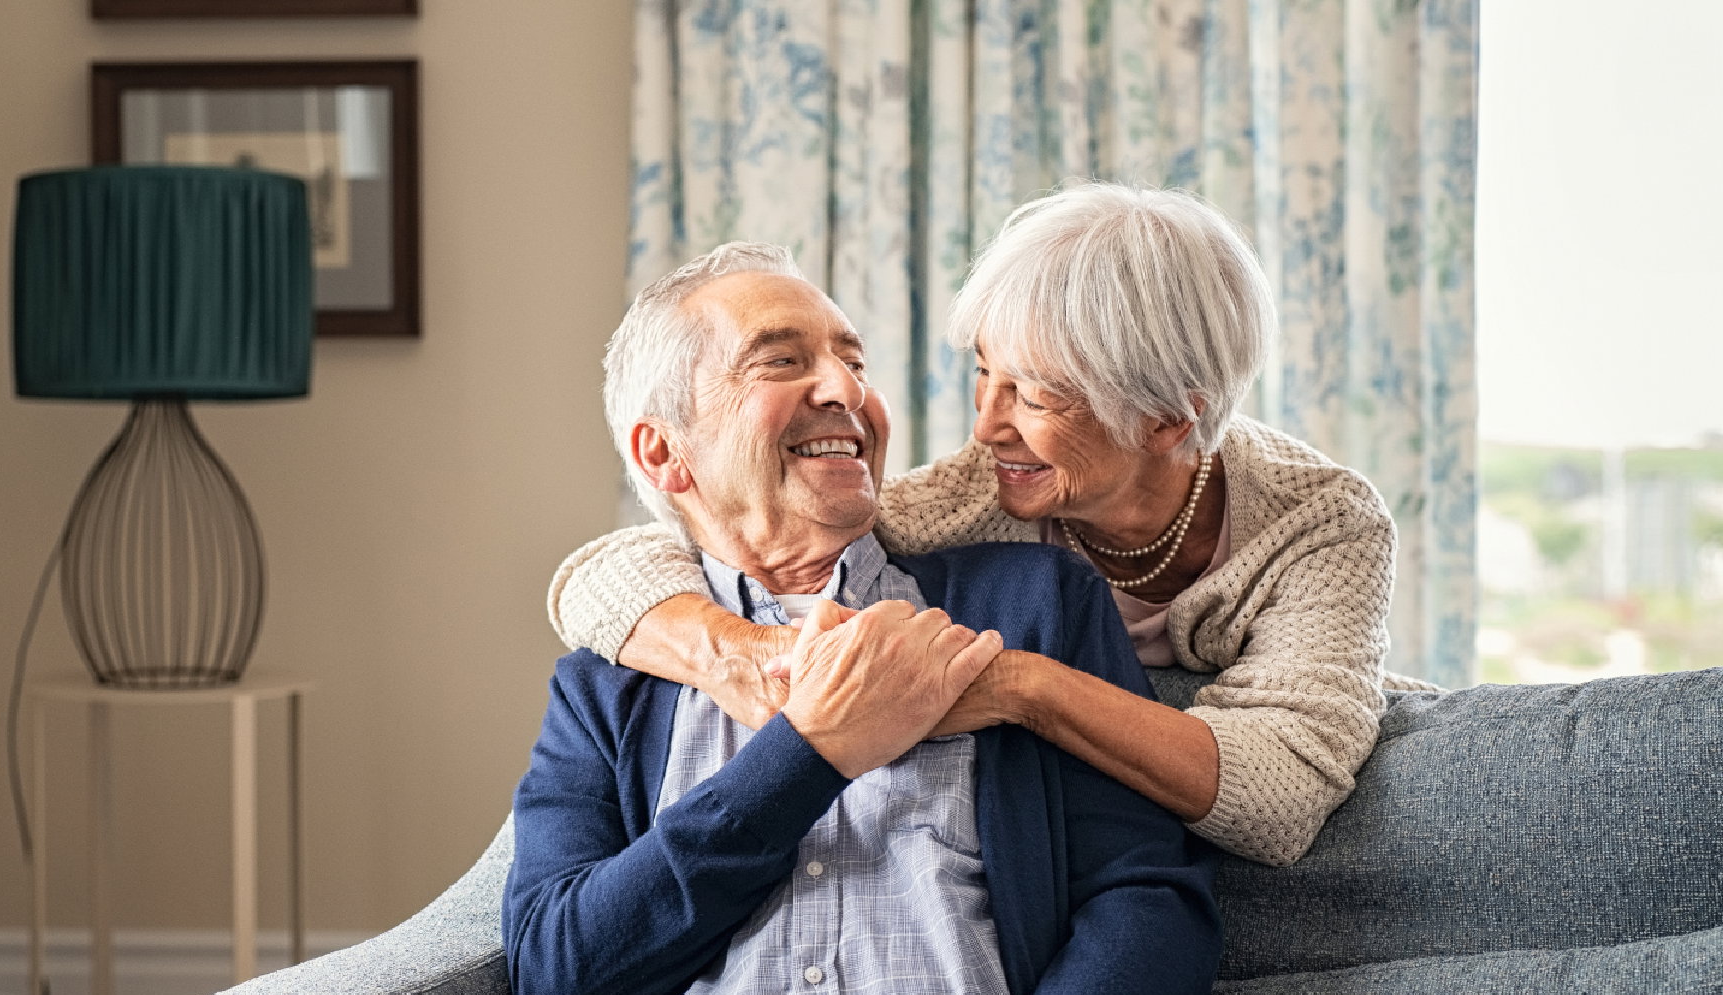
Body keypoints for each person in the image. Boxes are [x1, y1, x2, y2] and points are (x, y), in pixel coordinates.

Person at [504, 243, 1220, 995]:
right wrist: (806, 754)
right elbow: (561, 994)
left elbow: (1147, 903)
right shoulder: (606, 686)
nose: (848, 391)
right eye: (782, 361)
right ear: (665, 453)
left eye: (855, 362)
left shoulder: (1030, 606)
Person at [549, 182, 1420, 868]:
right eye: (983, 375)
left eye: (1034, 395)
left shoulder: (1321, 526)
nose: (987, 426)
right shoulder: (979, 495)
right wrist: (741, 655)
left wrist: (1018, 688)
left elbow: (1278, 799)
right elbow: (616, 568)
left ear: (1167, 420)